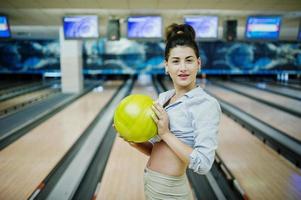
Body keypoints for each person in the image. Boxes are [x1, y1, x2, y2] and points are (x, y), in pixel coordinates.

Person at [118, 23, 221, 200]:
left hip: (171, 191)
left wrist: (165, 133)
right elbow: (156, 150)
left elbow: (203, 164)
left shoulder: (205, 104)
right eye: (175, 61)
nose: (182, 67)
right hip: (151, 183)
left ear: (198, 64)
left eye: (189, 60)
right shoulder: (164, 98)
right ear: (166, 66)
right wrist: (133, 140)